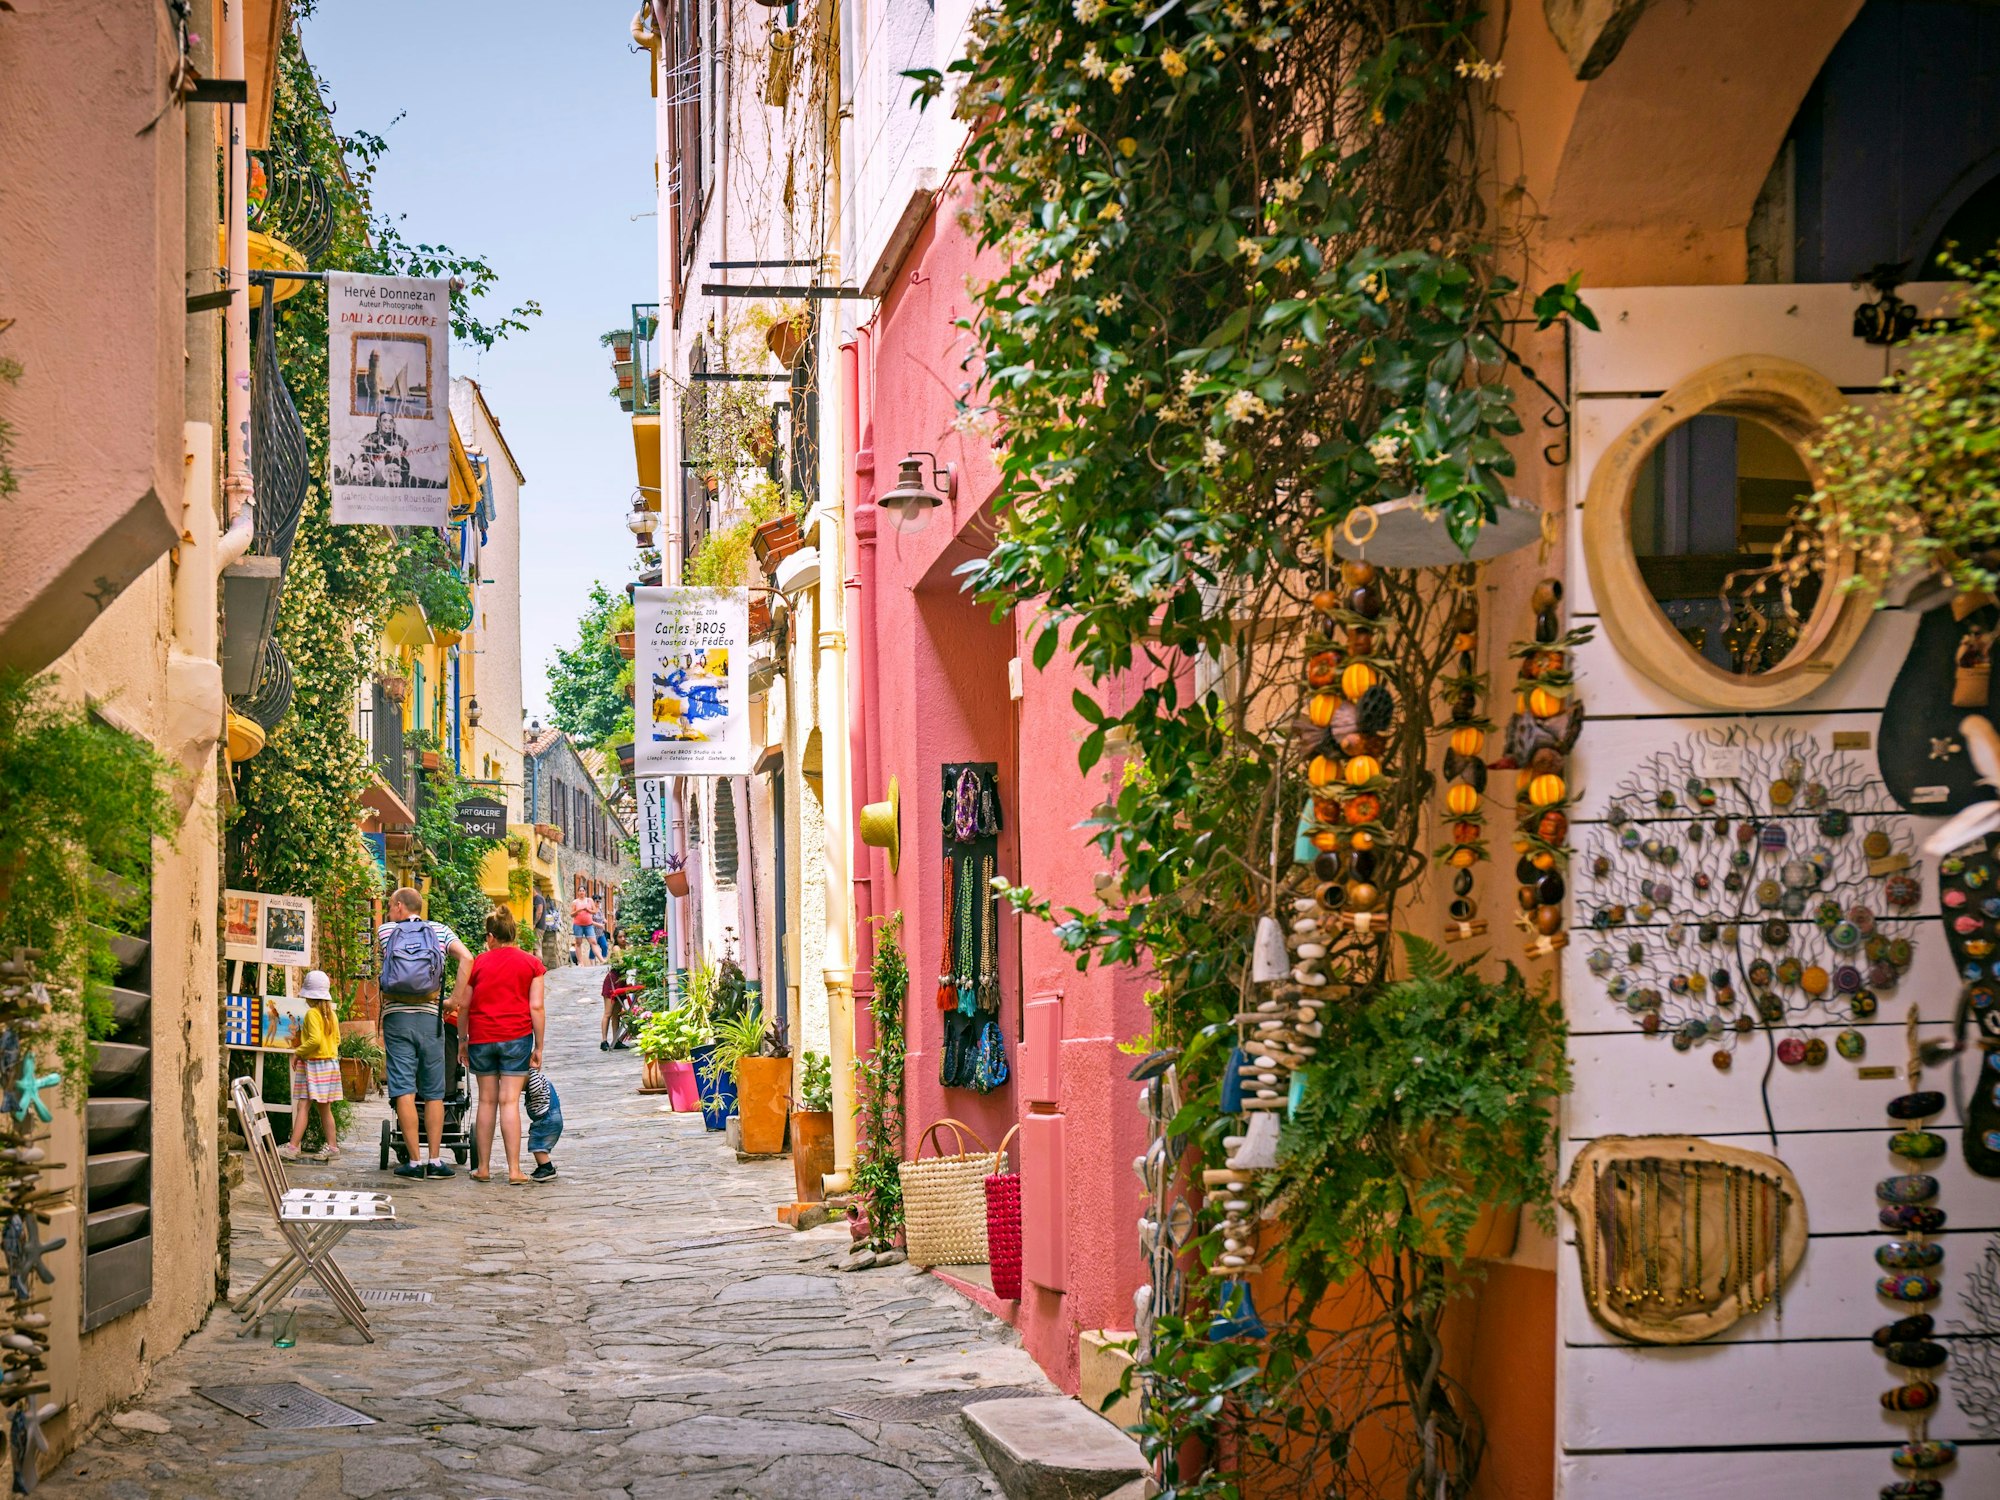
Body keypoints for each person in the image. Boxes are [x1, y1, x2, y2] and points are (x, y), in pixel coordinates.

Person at [377, 887, 473, 1180]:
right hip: (431, 1018)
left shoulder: (385, 932)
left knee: (404, 1090)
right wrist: (454, 1001)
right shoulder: (441, 932)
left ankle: (414, 1163)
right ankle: (434, 1160)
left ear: (398, 906)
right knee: (434, 1092)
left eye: (390, 906)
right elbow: (468, 959)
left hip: (397, 1018)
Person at [460, 905, 545, 1185]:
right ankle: (514, 1170)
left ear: (491, 936)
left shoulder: (479, 963)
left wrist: (463, 1041)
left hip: (482, 1038)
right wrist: (539, 1046)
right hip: (517, 1037)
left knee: (487, 1101)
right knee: (509, 1102)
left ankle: (483, 1168)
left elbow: (464, 1005)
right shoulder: (531, 964)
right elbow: (536, 1007)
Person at [280, 970, 343, 1161]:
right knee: (323, 1109)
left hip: (315, 1065)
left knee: (303, 1106)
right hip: (329, 1064)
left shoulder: (312, 1015)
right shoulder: (331, 1015)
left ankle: (293, 1148)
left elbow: (314, 1041)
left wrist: (298, 1052)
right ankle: (331, 1148)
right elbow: (337, 1040)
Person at [524, 1064, 562, 1182]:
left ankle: (547, 1168)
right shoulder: (543, 1081)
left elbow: (534, 1088)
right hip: (552, 1117)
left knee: (537, 1144)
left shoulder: (535, 1078)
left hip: (547, 1119)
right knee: (539, 1143)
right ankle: (543, 1167)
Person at [569, 891, 597, 967]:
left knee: (593, 942)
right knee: (578, 943)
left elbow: (595, 911)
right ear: (578, 892)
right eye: (580, 891)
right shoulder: (575, 902)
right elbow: (571, 914)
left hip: (588, 924)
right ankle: (581, 962)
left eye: (583, 891)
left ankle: (601, 959)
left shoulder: (589, 900)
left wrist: (588, 910)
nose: (581, 892)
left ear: (585, 892)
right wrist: (578, 911)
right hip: (578, 925)